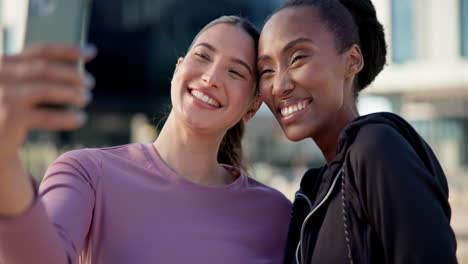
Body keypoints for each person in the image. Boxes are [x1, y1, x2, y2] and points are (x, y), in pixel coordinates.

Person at [0, 16, 291, 263]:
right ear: (178, 69)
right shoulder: (88, 172)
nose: (211, 77)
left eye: (235, 72)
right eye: (202, 56)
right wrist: (4, 155)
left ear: (252, 107)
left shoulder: (277, 214)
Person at [257, 0, 458, 263]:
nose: (279, 86)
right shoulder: (316, 190)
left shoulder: (377, 148)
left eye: (297, 58)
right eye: (267, 70)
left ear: (352, 61)